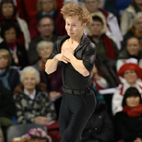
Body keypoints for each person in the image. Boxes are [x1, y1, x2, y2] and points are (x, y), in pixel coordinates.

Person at [45, 3, 96, 142]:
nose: (69, 28)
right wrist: (56, 57)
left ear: (84, 25)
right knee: (67, 136)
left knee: (68, 139)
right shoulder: (60, 42)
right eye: (67, 24)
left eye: (74, 25)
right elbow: (48, 69)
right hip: (66, 97)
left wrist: (70, 56)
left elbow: (85, 71)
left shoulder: (88, 46)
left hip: (83, 99)